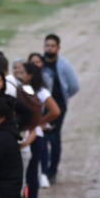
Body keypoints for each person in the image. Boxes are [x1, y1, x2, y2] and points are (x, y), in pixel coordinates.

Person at [16, 61, 60, 198]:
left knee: (31, 172)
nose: (19, 75)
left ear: (30, 75)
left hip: (36, 136)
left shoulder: (40, 91)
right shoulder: (24, 90)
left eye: (22, 73)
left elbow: (55, 110)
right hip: (29, 134)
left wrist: (38, 122)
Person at [40, 33, 79, 183]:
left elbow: (74, 86)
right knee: (41, 137)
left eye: (52, 46)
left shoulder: (64, 65)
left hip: (58, 107)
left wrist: (63, 98)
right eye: (47, 45)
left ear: (58, 48)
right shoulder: (40, 63)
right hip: (42, 107)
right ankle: (43, 170)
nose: (49, 48)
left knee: (54, 138)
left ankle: (52, 171)